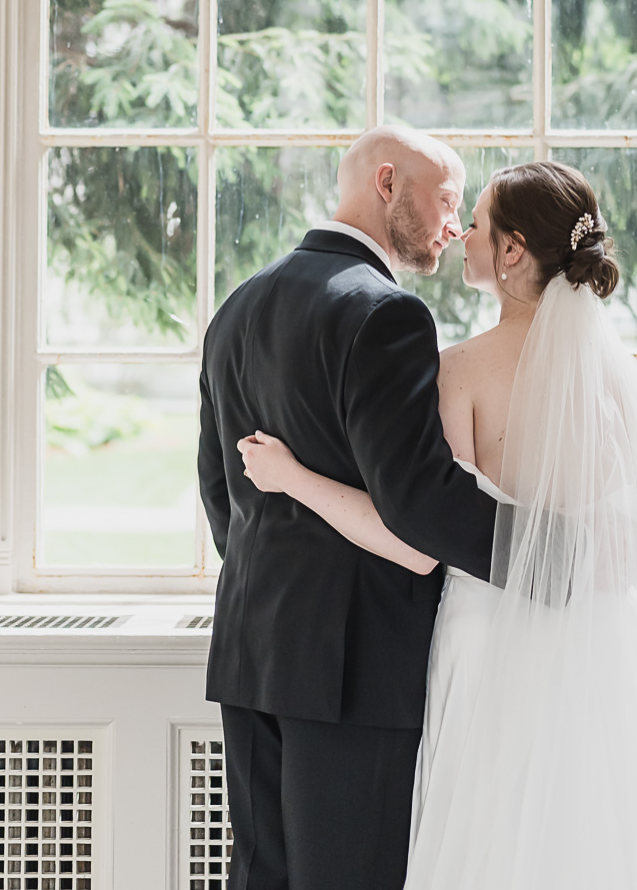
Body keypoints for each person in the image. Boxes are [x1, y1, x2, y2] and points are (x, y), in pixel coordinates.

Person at [242, 160, 637, 890]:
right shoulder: (617, 379)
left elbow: (416, 539)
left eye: (478, 223)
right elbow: (625, 552)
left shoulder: (460, 372)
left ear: (513, 251)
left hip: (491, 649)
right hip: (604, 652)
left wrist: (293, 479)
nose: (461, 232)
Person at [198, 127, 502, 890]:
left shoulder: (237, 306)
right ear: (388, 182)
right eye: (446, 201)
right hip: (355, 664)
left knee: (261, 877)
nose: (454, 226)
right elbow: (419, 501)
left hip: (252, 650)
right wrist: (551, 555)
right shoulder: (385, 314)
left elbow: (217, 487)